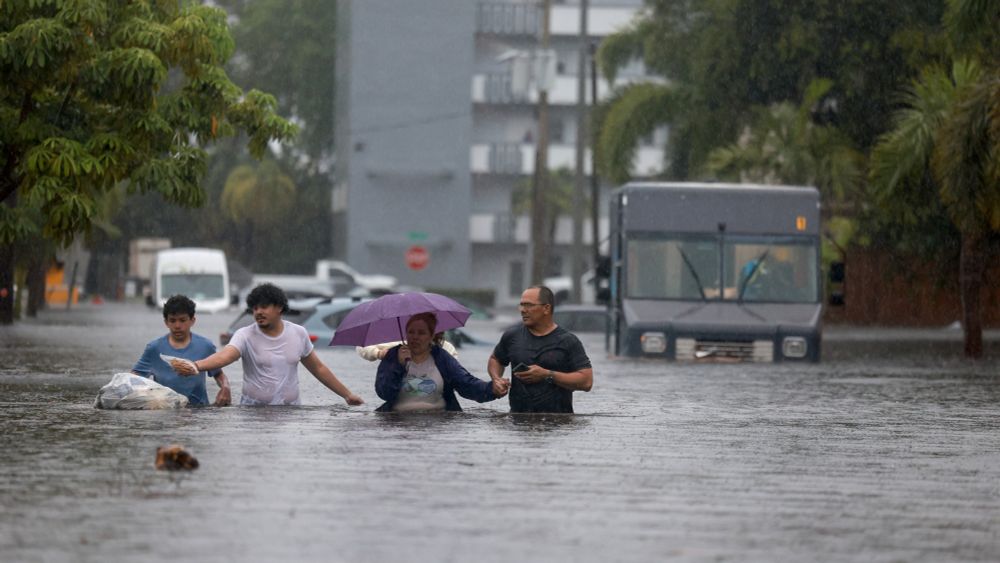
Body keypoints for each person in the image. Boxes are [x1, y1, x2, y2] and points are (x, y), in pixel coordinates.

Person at [172, 283, 364, 406]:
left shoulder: (298, 333)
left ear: (279, 307)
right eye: (254, 308)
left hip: (290, 416)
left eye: (264, 307)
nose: (258, 312)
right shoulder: (245, 335)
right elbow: (225, 356)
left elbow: (319, 369)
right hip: (252, 415)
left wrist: (347, 395)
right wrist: (196, 366)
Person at [488, 285, 593, 413]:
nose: (523, 310)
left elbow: (586, 382)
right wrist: (496, 379)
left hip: (558, 423)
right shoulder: (512, 336)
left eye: (529, 305)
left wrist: (547, 375)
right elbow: (496, 359)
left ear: (546, 308)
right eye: (521, 305)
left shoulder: (568, 341)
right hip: (518, 423)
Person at [374, 312, 508, 412]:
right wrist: (399, 366)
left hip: (438, 420)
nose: (415, 337)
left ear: (431, 335)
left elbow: (467, 384)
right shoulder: (393, 357)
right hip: (398, 421)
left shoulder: (441, 358)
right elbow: (384, 393)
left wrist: (492, 389)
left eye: (421, 333)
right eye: (411, 332)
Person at [132, 294, 231, 407]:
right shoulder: (154, 349)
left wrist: (225, 387)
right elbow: (134, 378)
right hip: (166, 412)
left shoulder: (205, 346)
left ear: (192, 320)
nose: (177, 326)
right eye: (172, 321)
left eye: (182, 320)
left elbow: (219, 375)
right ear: (166, 322)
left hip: (199, 413)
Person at [357, 332, 457, 362]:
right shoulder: (403, 345)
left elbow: (458, 377)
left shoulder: (447, 348)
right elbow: (361, 346)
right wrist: (379, 353)